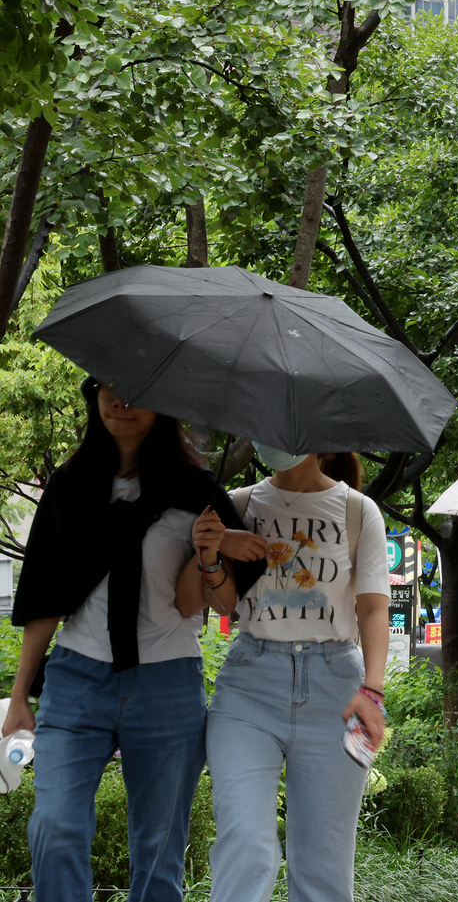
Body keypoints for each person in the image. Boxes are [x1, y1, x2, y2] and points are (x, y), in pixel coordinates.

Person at [4, 379, 263, 902]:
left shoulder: (197, 490)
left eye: (135, 391)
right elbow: (45, 600)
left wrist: (210, 551)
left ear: (162, 402)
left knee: (160, 851)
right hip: (76, 679)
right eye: (107, 388)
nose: (119, 402)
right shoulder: (71, 485)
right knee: (54, 829)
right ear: (91, 393)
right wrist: (19, 696)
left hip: (167, 685)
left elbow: (208, 603)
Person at [205, 446, 390, 902]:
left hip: (336, 685)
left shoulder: (357, 510)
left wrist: (373, 689)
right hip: (249, 682)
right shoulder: (238, 505)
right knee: (246, 848)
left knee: (323, 868)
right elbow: (221, 604)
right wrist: (213, 550)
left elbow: (372, 607)